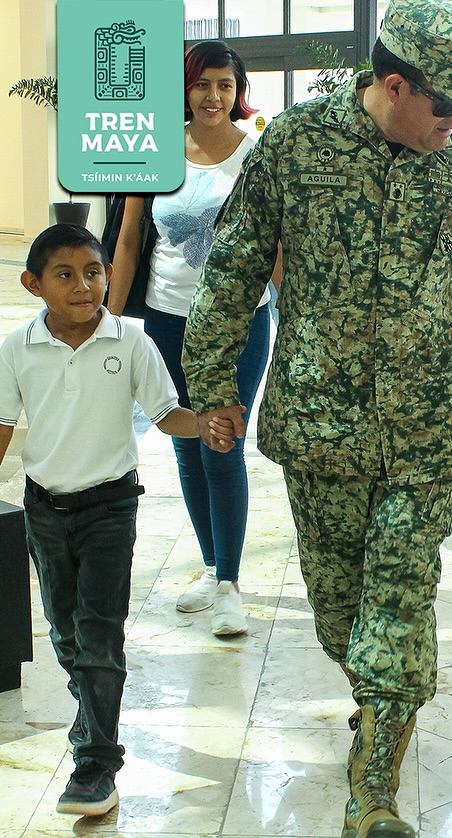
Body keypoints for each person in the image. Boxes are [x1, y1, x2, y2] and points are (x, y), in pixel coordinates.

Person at [180, 1, 452, 838]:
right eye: (447, 106)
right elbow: (231, 268)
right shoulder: (297, 146)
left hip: (424, 430)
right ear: (394, 85)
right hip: (319, 424)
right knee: (341, 615)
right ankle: (379, 704)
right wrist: (212, 391)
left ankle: (373, 791)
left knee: (399, 602)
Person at [0, 226, 231, 817]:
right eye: (66, 275)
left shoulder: (129, 341)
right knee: (65, 634)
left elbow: (165, 413)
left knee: (99, 635)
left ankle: (96, 762)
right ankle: (93, 710)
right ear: (33, 284)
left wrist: (202, 425)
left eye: (95, 272)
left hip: (110, 506)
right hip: (45, 509)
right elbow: (3, 426)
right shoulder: (16, 347)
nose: (85, 285)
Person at [108, 40, 274, 637]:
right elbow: (127, 241)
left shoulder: (257, 154)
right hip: (167, 316)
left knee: (222, 439)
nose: (214, 96)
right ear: (185, 88)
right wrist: (108, 319)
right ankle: (212, 566)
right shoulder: (153, 151)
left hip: (239, 320)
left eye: (225, 85)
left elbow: (275, 247)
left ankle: (229, 583)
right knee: (185, 439)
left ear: (239, 90)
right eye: (203, 84)